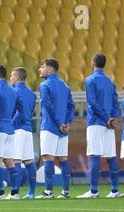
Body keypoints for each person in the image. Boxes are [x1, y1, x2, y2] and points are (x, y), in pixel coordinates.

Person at [77, 54, 120, 199]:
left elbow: (92, 103)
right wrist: (112, 118)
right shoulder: (110, 81)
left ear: (93, 62)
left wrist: (105, 118)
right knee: (111, 156)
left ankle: (94, 191)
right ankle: (115, 190)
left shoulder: (90, 80)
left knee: (94, 154)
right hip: (109, 124)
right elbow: (115, 102)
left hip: (96, 122)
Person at [0, 65, 26, 201]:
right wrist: (12, 121)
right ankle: (14, 193)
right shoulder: (13, 91)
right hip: (10, 130)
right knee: (10, 162)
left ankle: (0, 193)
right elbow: (23, 110)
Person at [36, 58, 75, 199]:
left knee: (47, 158)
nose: (40, 69)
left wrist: (59, 123)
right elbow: (71, 106)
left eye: (42, 66)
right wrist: (67, 122)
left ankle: (48, 191)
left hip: (50, 126)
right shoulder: (65, 85)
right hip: (63, 129)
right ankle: (65, 192)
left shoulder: (45, 85)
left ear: (50, 69)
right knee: (63, 159)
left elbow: (48, 106)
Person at [10, 67, 38, 199]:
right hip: (27, 129)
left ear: (16, 77)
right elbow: (30, 111)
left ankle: (15, 193)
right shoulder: (32, 94)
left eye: (11, 76)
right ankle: (31, 192)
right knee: (28, 161)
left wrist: (11, 124)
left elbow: (17, 111)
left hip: (17, 129)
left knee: (15, 160)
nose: (10, 78)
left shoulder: (13, 91)